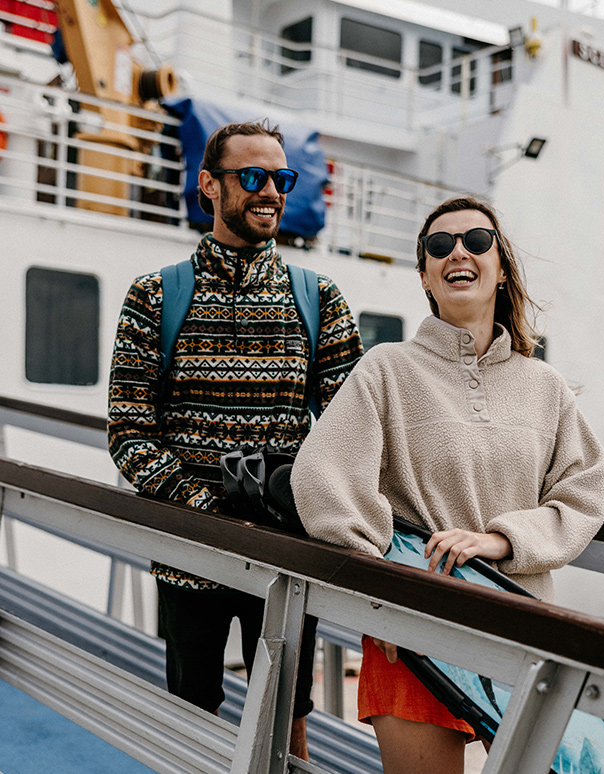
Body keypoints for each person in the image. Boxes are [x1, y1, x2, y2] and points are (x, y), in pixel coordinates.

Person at [291, 196, 604, 774]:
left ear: (501, 268)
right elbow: (321, 477)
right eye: (440, 246)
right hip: (414, 627)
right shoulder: (386, 369)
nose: (458, 252)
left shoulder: (545, 386)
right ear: (426, 277)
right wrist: (382, 588)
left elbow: (582, 493)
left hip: (520, 623)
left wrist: (503, 538)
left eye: (477, 241)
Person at [107, 120, 363, 759]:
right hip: (191, 547)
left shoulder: (319, 299)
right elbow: (130, 432)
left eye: (281, 179)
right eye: (251, 177)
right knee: (189, 712)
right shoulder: (155, 296)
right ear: (209, 187)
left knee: (288, 713)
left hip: (288, 549)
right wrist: (209, 513)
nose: (269, 191)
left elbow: (351, 432)